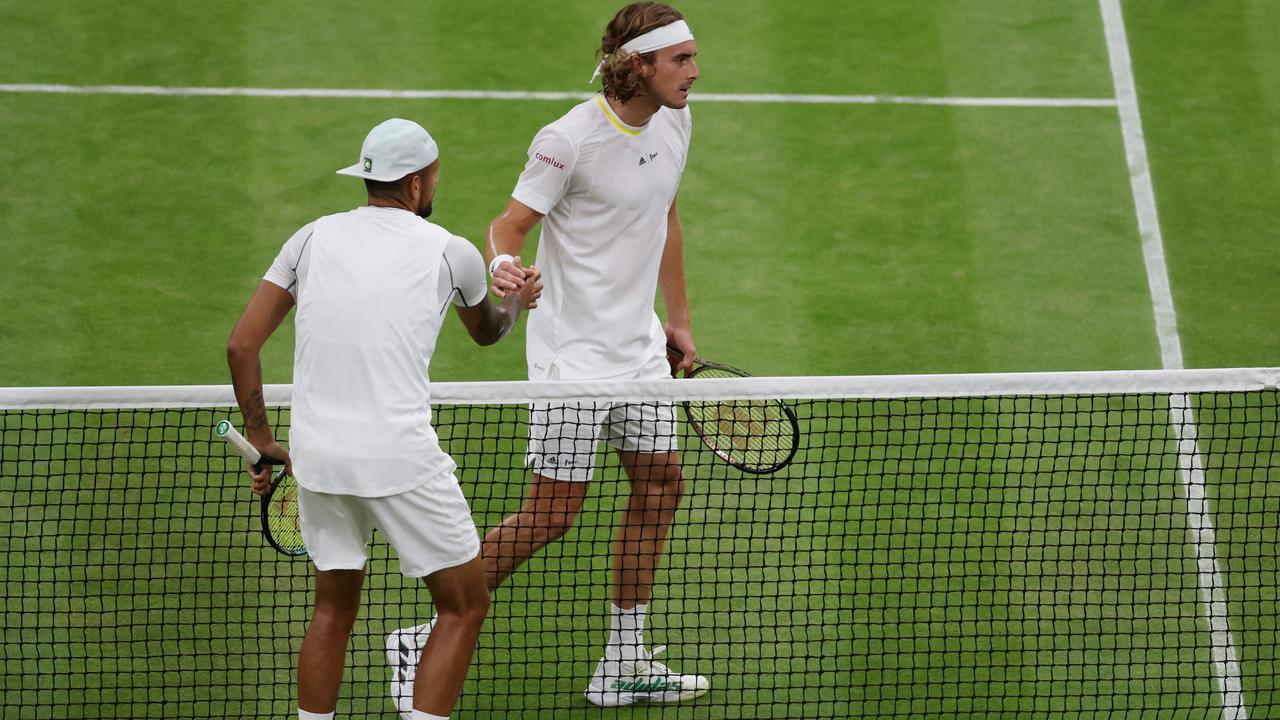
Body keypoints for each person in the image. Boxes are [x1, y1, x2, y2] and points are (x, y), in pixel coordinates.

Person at [386, 2, 707, 709]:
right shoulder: (567, 141)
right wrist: (505, 266)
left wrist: (676, 322)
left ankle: (622, 662)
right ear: (638, 65)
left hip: (640, 351)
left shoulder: (676, 120)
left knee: (661, 487)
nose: (695, 71)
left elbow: (666, 215)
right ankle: (421, 632)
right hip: (574, 361)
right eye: (680, 59)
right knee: (554, 513)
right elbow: (510, 224)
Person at [227, 117, 542, 720]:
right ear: (419, 182)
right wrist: (514, 302)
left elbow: (241, 346)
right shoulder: (452, 251)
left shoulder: (310, 238)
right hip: (400, 459)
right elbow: (488, 333)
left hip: (318, 457)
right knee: (463, 606)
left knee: (332, 609)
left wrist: (264, 440)